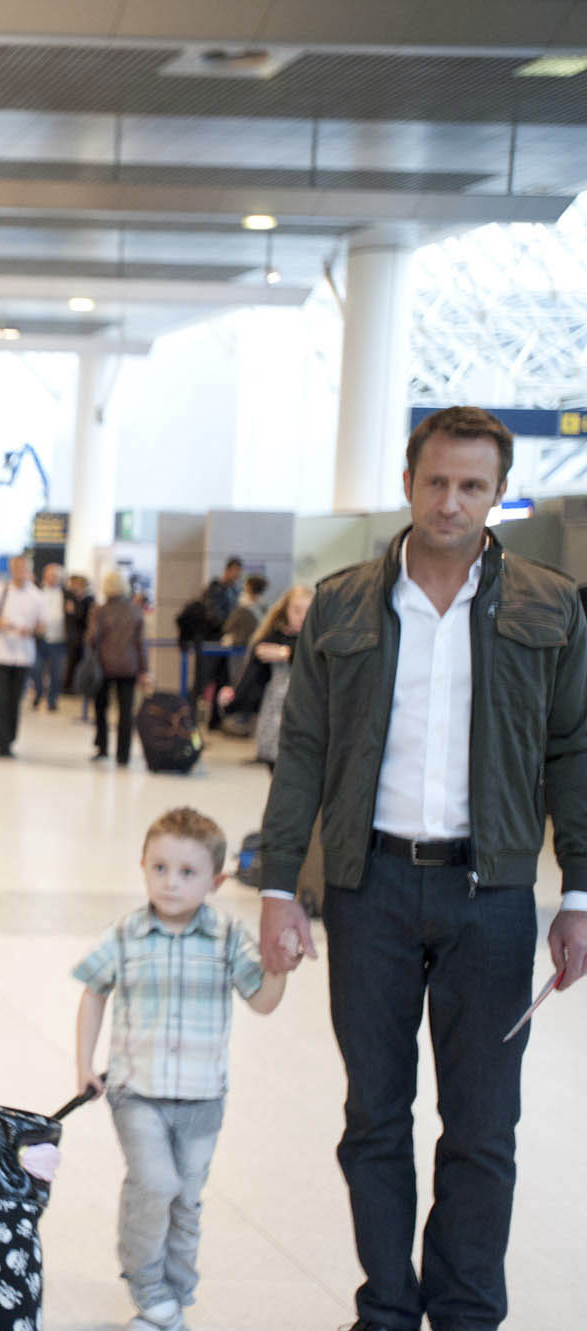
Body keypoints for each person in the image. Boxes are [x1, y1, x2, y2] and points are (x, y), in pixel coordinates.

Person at [258, 405, 587, 1331]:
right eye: (436, 481)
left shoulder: (550, 606)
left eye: (473, 486)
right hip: (371, 891)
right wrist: (282, 886)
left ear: (497, 495)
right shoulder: (342, 603)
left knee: (483, 1127)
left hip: (493, 899)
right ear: (408, 484)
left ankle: (469, 1309)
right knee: (375, 1117)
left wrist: (581, 897)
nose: (452, 502)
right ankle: (387, 1307)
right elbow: (305, 753)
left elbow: (575, 752)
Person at [73, 807, 287, 1331]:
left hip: (203, 1097)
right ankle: (146, 1286)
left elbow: (261, 1000)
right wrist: (84, 1064)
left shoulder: (227, 938)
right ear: (143, 866)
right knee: (156, 1183)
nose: (171, 882)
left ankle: (175, 1295)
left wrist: (280, 969)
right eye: (160, 868)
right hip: (135, 1092)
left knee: (186, 1199)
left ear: (215, 881)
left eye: (188, 873)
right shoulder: (125, 935)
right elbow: (94, 993)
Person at [218, 583, 310, 761]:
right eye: (297, 610)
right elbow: (251, 678)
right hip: (274, 719)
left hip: (307, 721)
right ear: (285, 610)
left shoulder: (318, 640)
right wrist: (231, 699)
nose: (302, 616)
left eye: (308, 610)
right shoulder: (270, 638)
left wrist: (287, 654)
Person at [0, 554, 43, 758]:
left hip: (23, 656)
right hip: (0, 654)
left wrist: (32, 630)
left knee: (15, 701)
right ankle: (0, 742)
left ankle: (10, 741)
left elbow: (42, 626)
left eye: (23, 568)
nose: (19, 572)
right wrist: (0, 623)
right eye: (16, 568)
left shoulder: (36, 595)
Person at [87, 567, 149, 765]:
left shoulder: (99, 611)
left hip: (103, 667)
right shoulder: (135, 610)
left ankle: (103, 748)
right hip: (129, 667)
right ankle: (124, 754)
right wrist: (144, 669)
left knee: (101, 708)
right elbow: (141, 644)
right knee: (126, 711)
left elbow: (92, 638)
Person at [197, 557, 243, 731]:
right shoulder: (215, 590)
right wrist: (229, 624)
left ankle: (215, 719)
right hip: (212, 641)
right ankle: (193, 720)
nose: (237, 575)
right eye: (235, 571)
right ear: (228, 570)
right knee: (204, 680)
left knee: (222, 679)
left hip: (225, 643)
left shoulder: (233, 590)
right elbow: (213, 615)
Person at [31, 562, 68, 710]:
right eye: (50, 575)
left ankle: (52, 699)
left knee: (56, 672)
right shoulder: (37, 592)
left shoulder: (65, 594)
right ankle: (38, 693)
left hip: (59, 640)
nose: (53, 578)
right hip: (40, 639)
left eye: (56, 576)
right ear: (45, 576)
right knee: (36, 669)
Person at [63, 571, 94, 694]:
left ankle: (80, 687)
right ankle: (68, 687)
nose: (72, 586)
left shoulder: (88, 599)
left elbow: (83, 617)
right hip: (72, 637)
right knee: (70, 663)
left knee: (81, 663)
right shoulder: (70, 598)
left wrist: (74, 611)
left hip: (83, 637)